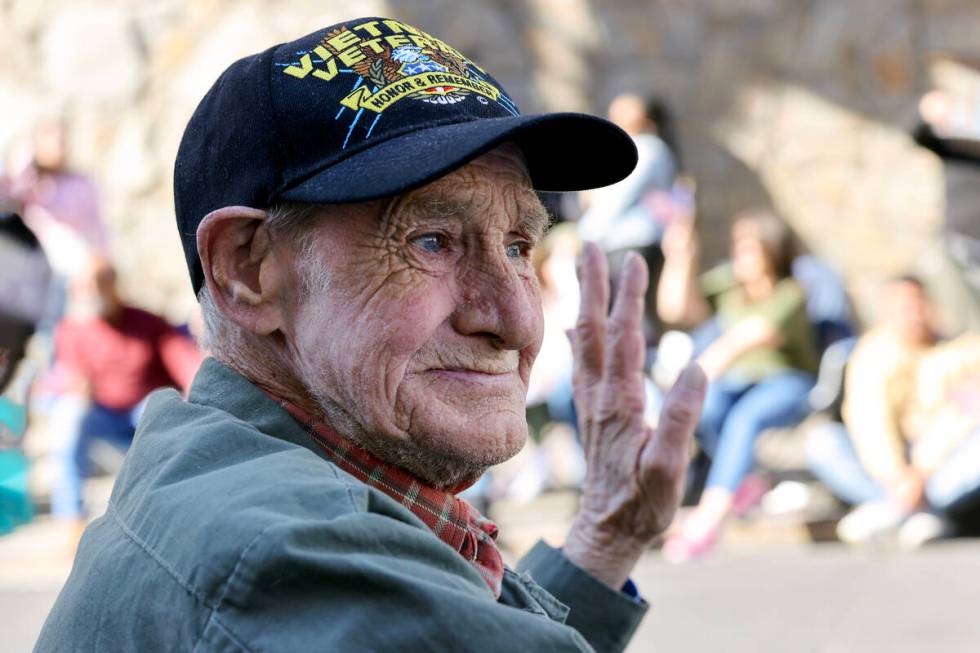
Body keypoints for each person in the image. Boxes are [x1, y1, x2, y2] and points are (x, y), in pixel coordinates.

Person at [37, 17, 706, 652]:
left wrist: (604, 540)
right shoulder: (294, 556)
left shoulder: (204, 457)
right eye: (432, 240)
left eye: (518, 244)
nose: (516, 319)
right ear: (247, 269)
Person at [657, 207, 818, 560]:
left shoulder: (791, 292)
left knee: (745, 418)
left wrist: (698, 373)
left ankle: (707, 520)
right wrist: (681, 255)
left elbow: (749, 335)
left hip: (787, 380)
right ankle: (744, 482)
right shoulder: (729, 286)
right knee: (709, 409)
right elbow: (675, 309)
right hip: (737, 382)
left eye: (749, 246)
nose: (739, 253)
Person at [807, 277, 980, 547]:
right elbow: (870, 422)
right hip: (889, 468)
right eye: (903, 308)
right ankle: (914, 512)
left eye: (919, 305)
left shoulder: (962, 352)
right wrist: (897, 476)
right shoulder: (872, 354)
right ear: (884, 313)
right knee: (821, 442)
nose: (914, 315)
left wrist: (921, 471)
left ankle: (891, 512)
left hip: (939, 463)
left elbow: (963, 414)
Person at [48, 255, 203, 527]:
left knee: (161, 406)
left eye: (94, 285)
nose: (86, 293)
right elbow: (67, 380)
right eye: (81, 286)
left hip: (144, 410)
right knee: (67, 417)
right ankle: (71, 517)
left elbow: (185, 364)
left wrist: (197, 387)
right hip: (102, 413)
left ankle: (172, 509)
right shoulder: (71, 330)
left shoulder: (148, 323)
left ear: (112, 285)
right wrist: (74, 388)